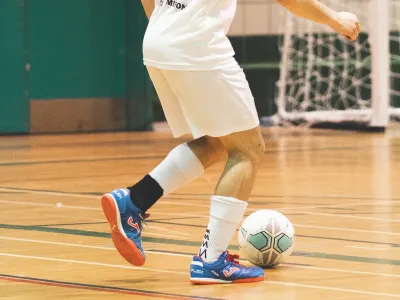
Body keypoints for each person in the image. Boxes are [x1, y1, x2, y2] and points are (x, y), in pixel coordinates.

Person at [101, 0, 360, 284]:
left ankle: (134, 201)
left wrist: (166, 25)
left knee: (216, 140)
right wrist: (335, 19)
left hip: (159, 41)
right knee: (248, 150)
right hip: (196, 46)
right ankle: (212, 259)